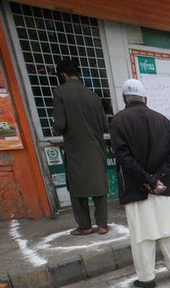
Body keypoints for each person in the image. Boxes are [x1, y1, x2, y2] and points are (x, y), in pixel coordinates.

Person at [110, 79, 170, 288]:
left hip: (136, 189)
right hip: (162, 188)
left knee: (142, 235)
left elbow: (123, 157)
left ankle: (147, 278)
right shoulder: (163, 121)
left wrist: (147, 178)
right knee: (166, 229)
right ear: (145, 99)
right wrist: (157, 177)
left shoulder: (118, 121)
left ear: (125, 99)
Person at [53, 59, 109, 236]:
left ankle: (85, 226)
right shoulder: (93, 95)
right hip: (96, 147)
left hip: (75, 150)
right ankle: (102, 225)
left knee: (77, 190)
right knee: (99, 187)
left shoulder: (60, 92)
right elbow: (104, 124)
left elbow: (60, 125)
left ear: (63, 74)